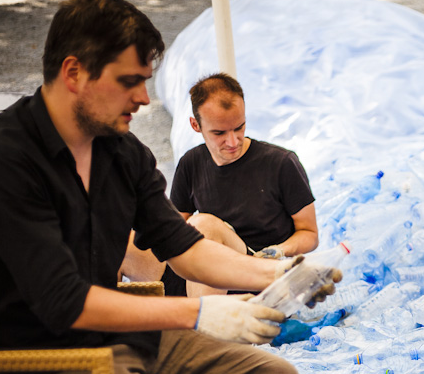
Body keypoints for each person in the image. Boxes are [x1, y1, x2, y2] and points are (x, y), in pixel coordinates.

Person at [0, 0, 338, 374]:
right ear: (74, 73)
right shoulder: (5, 163)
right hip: (29, 368)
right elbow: (66, 302)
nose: (145, 99)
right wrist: (200, 312)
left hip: (113, 342)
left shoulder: (122, 150)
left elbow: (186, 247)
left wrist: (282, 272)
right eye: (131, 81)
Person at [120, 73, 319, 297]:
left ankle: (204, 328)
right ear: (196, 125)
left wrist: (279, 251)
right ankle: (103, 325)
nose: (233, 141)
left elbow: (310, 233)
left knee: (204, 226)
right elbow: (172, 229)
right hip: (202, 276)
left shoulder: (281, 163)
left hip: (256, 274)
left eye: (239, 128)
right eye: (219, 133)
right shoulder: (191, 163)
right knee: (120, 241)